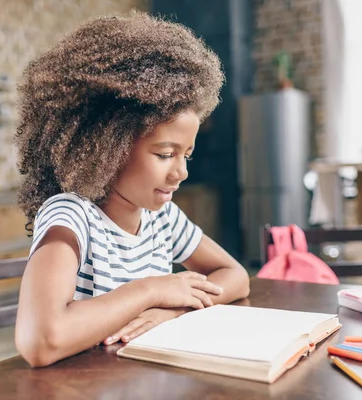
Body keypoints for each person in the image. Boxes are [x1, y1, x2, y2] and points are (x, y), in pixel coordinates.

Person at [13, 11, 250, 367]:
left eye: (187, 155)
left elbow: (237, 277)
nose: (181, 172)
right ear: (107, 146)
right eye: (165, 154)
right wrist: (152, 289)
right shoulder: (71, 217)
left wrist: (173, 311)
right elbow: (40, 341)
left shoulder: (162, 218)